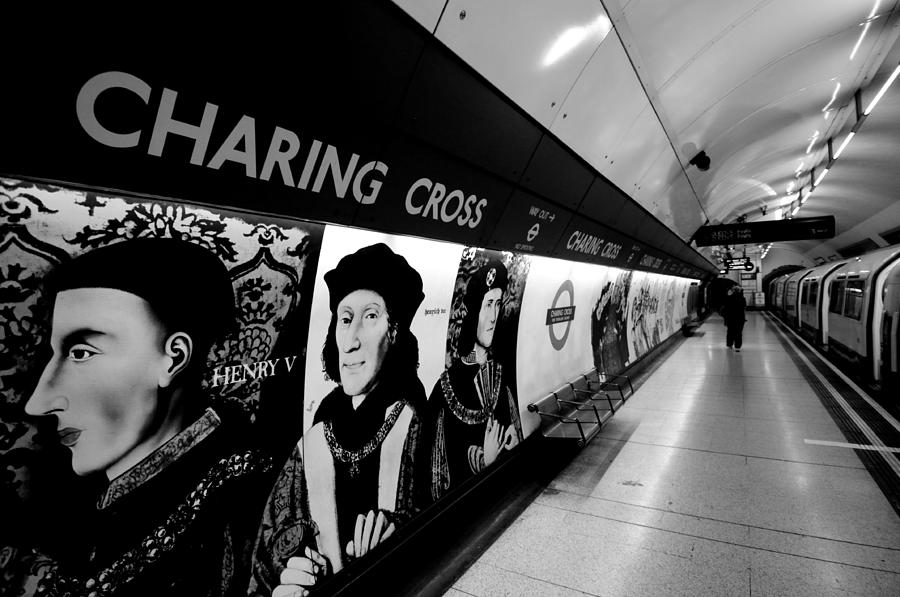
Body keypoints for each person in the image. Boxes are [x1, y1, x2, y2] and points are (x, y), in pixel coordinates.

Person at [23, 238, 272, 597]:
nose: (38, 402)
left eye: (81, 353)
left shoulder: (241, 507)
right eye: (55, 352)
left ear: (172, 359)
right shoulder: (72, 487)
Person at [250, 243, 428, 597]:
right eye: (345, 319)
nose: (350, 341)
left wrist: (400, 529)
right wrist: (287, 577)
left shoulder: (417, 425)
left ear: (394, 334)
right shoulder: (315, 440)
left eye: (371, 317)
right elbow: (266, 561)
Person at [425, 260, 523, 502]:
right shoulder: (447, 386)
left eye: (498, 304)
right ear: (473, 310)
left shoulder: (501, 373)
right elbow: (440, 466)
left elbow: (511, 423)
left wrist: (511, 439)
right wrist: (484, 461)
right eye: (487, 304)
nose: (493, 316)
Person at [723, 286, 747, 352]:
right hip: (740, 318)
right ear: (739, 291)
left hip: (730, 318)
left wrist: (725, 318)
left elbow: (726, 309)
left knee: (730, 331)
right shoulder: (742, 298)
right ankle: (737, 347)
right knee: (738, 332)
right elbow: (744, 307)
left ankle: (730, 344)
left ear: (733, 291)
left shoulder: (729, 298)